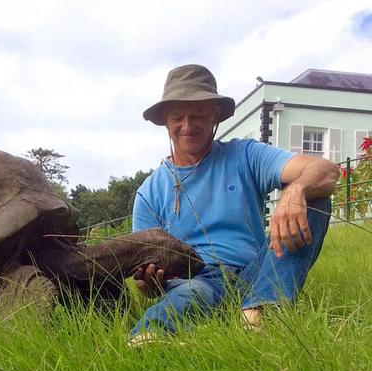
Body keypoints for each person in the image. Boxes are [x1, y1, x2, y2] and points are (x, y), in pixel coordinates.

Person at [128, 64, 339, 345]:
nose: (187, 126)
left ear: (215, 115)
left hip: (257, 271)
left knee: (316, 200)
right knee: (191, 294)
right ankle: (148, 337)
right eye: (178, 117)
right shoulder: (148, 193)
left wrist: (296, 190)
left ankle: (257, 312)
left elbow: (325, 170)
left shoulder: (245, 154)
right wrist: (148, 282)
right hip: (194, 279)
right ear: (165, 120)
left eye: (198, 115)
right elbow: (144, 284)